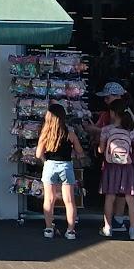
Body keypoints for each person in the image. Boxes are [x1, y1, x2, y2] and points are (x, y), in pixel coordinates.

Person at [35, 103, 84, 240]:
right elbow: (80, 152)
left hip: (50, 165)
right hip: (66, 166)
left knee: (49, 199)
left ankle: (49, 228)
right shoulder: (70, 134)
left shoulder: (46, 134)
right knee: (69, 200)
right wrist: (73, 152)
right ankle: (70, 231)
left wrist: (46, 160)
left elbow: (38, 154)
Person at [86, 82, 130, 232]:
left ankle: (110, 224)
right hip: (124, 160)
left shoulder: (118, 115)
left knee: (112, 192)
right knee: (122, 191)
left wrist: (94, 130)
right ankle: (118, 221)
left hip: (112, 158)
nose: (105, 101)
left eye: (108, 97)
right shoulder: (122, 113)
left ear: (119, 97)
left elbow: (108, 131)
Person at [100, 103, 134, 240]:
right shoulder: (131, 131)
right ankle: (133, 231)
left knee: (110, 197)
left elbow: (101, 150)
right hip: (127, 167)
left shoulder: (106, 130)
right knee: (130, 198)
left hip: (111, 167)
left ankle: (107, 228)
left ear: (112, 113)